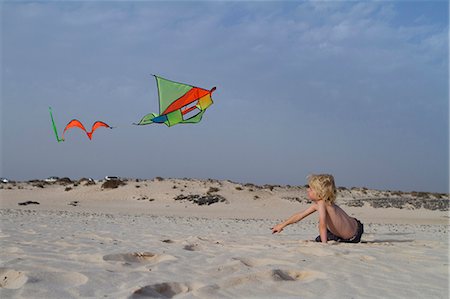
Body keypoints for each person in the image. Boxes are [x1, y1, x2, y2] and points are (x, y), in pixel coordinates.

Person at [271, 174, 364, 243]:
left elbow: (322, 225)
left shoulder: (321, 204)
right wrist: (282, 225)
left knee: (319, 237)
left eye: (311, 189)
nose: (308, 190)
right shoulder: (328, 202)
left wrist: (324, 244)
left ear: (320, 192)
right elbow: (299, 215)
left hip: (351, 238)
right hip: (357, 227)